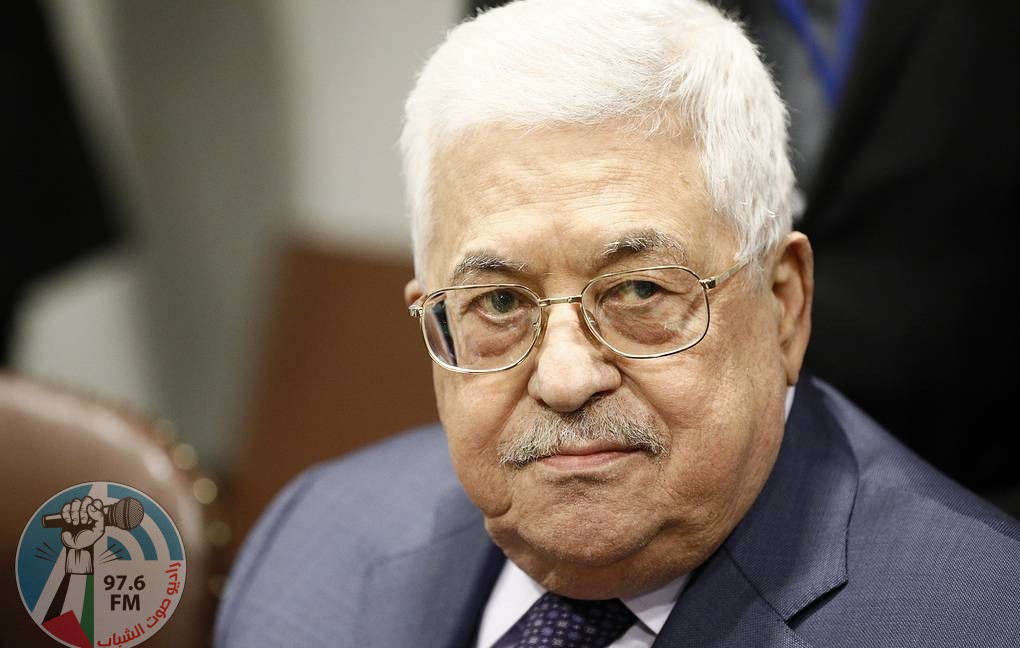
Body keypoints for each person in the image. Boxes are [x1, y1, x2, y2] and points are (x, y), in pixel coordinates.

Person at [215, 2, 1020, 646]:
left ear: (784, 305)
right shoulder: (309, 546)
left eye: (636, 290)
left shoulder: (977, 617)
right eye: (498, 302)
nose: (564, 379)